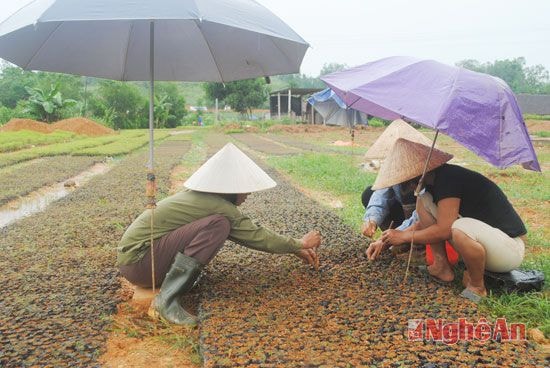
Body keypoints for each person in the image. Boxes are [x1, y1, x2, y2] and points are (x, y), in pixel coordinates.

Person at [116, 143, 322, 325]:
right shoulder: (218, 208)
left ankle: (172, 289)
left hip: (137, 263)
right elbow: (258, 236)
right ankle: (166, 301)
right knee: (219, 224)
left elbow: (247, 233)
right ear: (230, 188)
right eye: (245, 189)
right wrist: (301, 243)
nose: (248, 195)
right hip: (140, 264)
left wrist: (294, 249)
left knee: (220, 224)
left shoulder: (202, 198)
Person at [372, 138, 527, 302]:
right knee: (423, 202)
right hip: (489, 243)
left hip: (509, 249)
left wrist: (403, 237)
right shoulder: (432, 186)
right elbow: (423, 224)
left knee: (458, 228)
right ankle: (441, 266)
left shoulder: (449, 178)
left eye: (406, 181)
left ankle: (477, 287)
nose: (408, 187)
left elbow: (445, 229)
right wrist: (389, 238)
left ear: (415, 174)